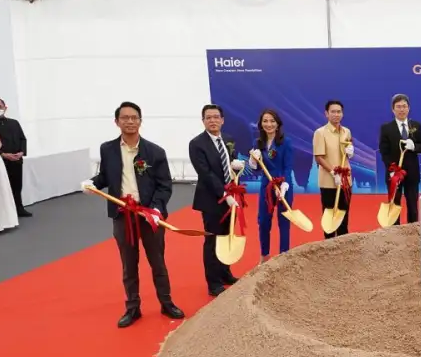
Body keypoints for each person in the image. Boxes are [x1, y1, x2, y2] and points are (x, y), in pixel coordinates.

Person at [83, 102, 184, 327]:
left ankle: (166, 303)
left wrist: (156, 208)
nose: (130, 121)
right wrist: (92, 183)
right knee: (129, 265)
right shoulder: (108, 149)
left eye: (134, 117)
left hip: (149, 215)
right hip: (123, 214)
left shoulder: (155, 152)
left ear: (140, 121)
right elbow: (105, 176)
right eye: (125, 118)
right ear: (117, 121)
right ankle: (132, 308)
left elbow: (164, 185)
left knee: (158, 262)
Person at [189, 104, 243, 297]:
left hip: (231, 198)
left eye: (216, 117)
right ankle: (213, 282)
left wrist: (237, 168)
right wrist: (224, 195)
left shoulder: (228, 140)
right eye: (208, 117)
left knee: (227, 236)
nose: (212, 120)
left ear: (222, 120)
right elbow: (206, 174)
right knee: (212, 240)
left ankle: (225, 273)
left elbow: (231, 166)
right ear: (203, 121)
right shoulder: (196, 144)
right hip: (211, 200)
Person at [248, 109, 295, 260]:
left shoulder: (286, 142)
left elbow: (288, 167)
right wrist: (253, 160)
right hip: (266, 186)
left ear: (278, 124)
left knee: (284, 221)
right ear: (261, 124)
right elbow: (256, 169)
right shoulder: (257, 143)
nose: (269, 124)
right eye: (265, 121)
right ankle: (265, 256)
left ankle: (284, 257)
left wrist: (284, 185)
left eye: (272, 121)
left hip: (283, 185)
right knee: (263, 221)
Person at [378, 94, 421, 224]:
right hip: (394, 174)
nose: (402, 109)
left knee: (413, 205)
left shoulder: (416, 125)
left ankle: (413, 231)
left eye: (404, 106)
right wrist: (392, 169)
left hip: (412, 173)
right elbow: (384, 151)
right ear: (393, 109)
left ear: (409, 108)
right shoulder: (386, 128)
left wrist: (414, 147)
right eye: (398, 107)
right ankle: (396, 233)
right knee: (395, 205)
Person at [313, 100, 354, 239]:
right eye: (333, 112)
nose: (336, 114)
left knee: (344, 216)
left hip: (346, 181)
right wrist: (333, 172)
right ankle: (329, 247)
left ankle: (343, 246)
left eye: (339, 112)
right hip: (328, 182)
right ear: (326, 113)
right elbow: (319, 157)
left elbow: (347, 153)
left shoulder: (346, 131)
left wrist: (350, 152)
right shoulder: (320, 133)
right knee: (329, 218)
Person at [0, 98, 31, 218]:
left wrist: (21, 152)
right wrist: (3, 154)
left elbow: (22, 139)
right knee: (1, 187)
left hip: (16, 159)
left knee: (17, 185)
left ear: (5, 107)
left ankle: (19, 208)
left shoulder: (14, 123)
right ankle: (4, 213)